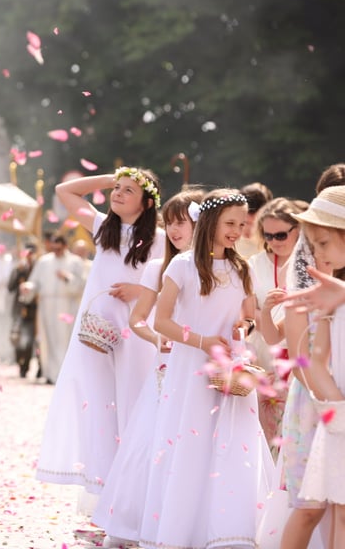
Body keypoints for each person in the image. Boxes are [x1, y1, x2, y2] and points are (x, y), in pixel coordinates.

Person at [139, 189, 273, 549]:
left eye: (242, 224)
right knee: (192, 444)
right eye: (230, 223)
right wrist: (202, 342)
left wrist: (242, 330)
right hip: (191, 369)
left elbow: (248, 318)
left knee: (231, 445)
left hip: (229, 369)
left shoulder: (241, 268)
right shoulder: (182, 266)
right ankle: (186, 530)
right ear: (211, 222)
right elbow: (163, 321)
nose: (237, 231)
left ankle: (230, 531)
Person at [36, 167, 165, 499]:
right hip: (98, 331)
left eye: (128, 191)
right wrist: (113, 178)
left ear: (147, 203)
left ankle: (135, 492)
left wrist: (139, 290)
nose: (118, 194)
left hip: (137, 330)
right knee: (100, 403)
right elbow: (65, 190)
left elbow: (171, 281)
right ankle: (104, 492)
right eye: (116, 189)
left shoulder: (160, 240)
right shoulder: (101, 228)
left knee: (133, 401)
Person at [93, 187, 202, 546]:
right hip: (166, 366)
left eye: (182, 223)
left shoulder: (214, 267)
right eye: (169, 223)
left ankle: (187, 521)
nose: (173, 230)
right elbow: (140, 320)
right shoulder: (158, 266)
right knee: (150, 443)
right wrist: (156, 339)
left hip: (202, 367)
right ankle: (135, 523)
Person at [286, 185, 345, 548]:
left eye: (322, 242)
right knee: (339, 507)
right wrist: (336, 406)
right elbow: (311, 359)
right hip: (336, 413)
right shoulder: (327, 294)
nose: (317, 253)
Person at [246, 197, 304, 453]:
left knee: (293, 428)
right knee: (265, 425)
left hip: (299, 348)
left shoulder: (310, 264)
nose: (273, 242)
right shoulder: (254, 264)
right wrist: (266, 315)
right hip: (263, 346)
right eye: (267, 235)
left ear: (298, 229)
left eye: (280, 235)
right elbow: (247, 309)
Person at [21, 233, 86, 384]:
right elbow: (35, 282)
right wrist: (27, 287)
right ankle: (50, 373)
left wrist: (67, 277)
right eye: (54, 248)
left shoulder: (75, 262)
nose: (56, 251)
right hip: (47, 305)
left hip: (66, 305)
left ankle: (63, 374)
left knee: (64, 340)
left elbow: (81, 284)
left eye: (59, 248)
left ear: (65, 246)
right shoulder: (44, 261)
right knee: (47, 339)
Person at [6, 243, 39, 378]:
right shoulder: (19, 268)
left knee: (30, 339)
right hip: (19, 308)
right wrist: (18, 272)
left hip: (33, 309)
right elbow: (10, 287)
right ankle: (20, 364)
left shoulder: (38, 268)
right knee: (17, 337)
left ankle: (27, 366)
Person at [236, 181, 273, 259]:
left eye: (254, 224)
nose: (247, 231)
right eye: (244, 223)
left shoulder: (274, 241)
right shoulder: (227, 239)